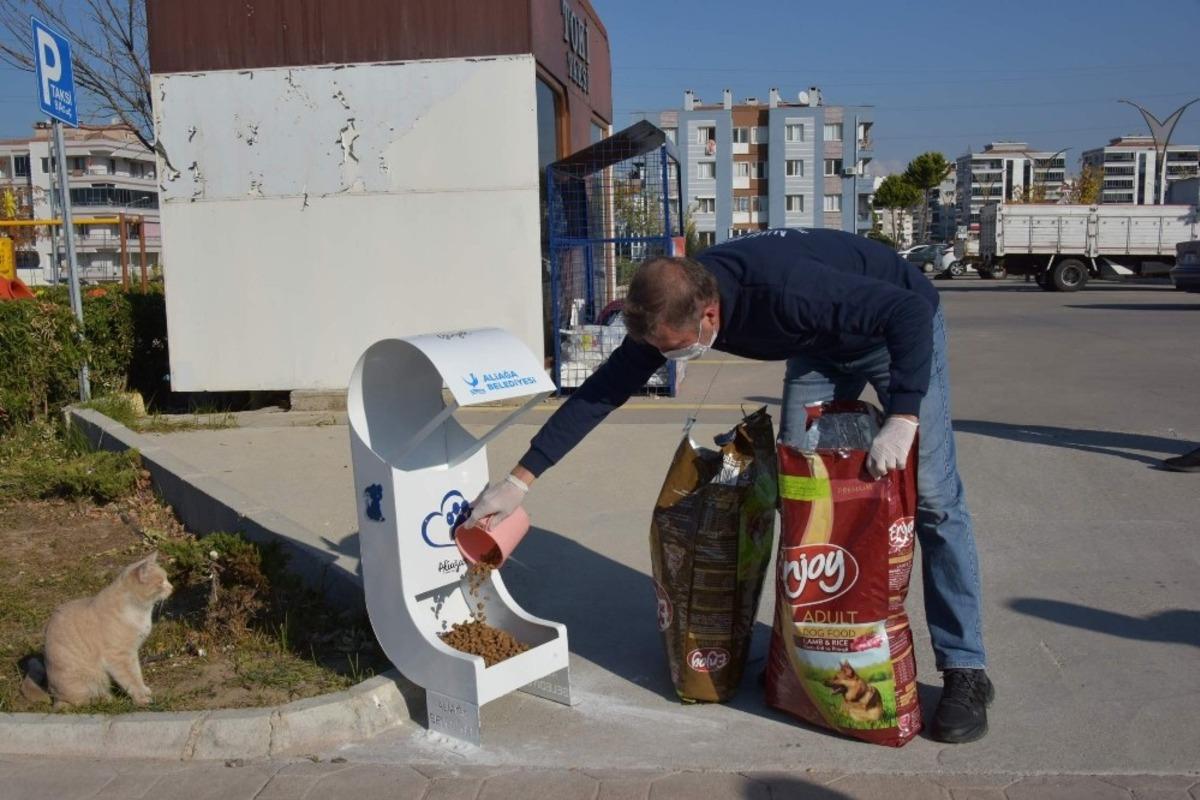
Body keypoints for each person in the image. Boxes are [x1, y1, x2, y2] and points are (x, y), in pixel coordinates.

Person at [469, 227, 992, 743]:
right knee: (800, 497)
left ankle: (966, 669)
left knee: (936, 499)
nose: (670, 359)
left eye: (676, 349)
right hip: (818, 347)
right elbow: (602, 392)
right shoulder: (673, 305)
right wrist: (520, 480)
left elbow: (908, 313)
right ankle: (810, 653)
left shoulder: (785, 292)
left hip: (893, 329)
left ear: (709, 315)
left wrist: (903, 418)